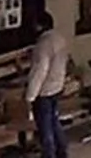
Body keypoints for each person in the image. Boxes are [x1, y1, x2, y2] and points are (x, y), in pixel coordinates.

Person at [25, 12, 70, 158]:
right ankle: (62, 151)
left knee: (45, 127)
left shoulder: (43, 44)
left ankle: (49, 155)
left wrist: (30, 96)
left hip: (44, 91)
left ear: (40, 26)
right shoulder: (60, 39)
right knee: (54, 121)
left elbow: (40, 71)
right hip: (57, 85)